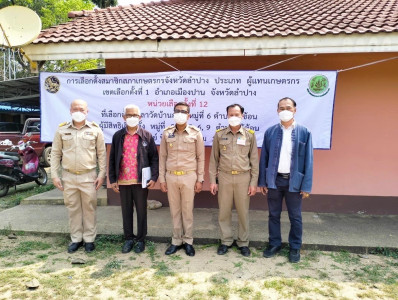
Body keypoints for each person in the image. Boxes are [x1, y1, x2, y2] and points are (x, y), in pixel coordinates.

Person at [258, 97, 313, 263]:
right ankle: (274, 243)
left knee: (295, 216)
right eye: (281, 108)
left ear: (295, 110)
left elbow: (308, 161)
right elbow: (264, 158)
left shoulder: (304, 132)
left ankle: (295, 247)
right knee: (273, 215)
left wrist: (306, 186)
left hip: (294, 182)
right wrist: (262, 181)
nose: (285, 111)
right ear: (277, 111)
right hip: (275, 181)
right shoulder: (271, 132)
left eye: (288, 107)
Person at [51, 99, 106, 253]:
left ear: (87, 111)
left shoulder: (95, 130)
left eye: (81, 109)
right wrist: (55, 175)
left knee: (89, 208)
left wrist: (102, 174)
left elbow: (102, 154)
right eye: (75, 109)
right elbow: (55, 154)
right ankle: (76, 238)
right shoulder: (62, 130)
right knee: (73, 208)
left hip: (88, 176)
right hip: (68, 176)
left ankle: (89, 239)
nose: (78, 112)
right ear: (70, 111)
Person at [209, 104, 259, 257]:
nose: (234, 117)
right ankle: (226, 241)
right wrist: (213, 180)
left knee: (243, 212)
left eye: (237, 114)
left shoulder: (249, 135)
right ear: (227, 115)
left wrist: (253, 183)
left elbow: (254, 161)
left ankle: (243, 242)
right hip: (224, 176)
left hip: (243, 177)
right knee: (224, 211)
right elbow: (213, 160)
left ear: (242, 116)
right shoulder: (219, 135)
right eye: (231, 114)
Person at [109, 104, 159, 254]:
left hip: (140, 181)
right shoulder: (118, 136)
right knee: (126, 211)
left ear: (140, 117)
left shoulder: (146, 136)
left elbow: (154, 158)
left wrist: (154, 177)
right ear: (124, 117)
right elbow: (112, 159)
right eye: (129, 115)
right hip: (123, 181)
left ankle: (141, 240)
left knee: (142, 211)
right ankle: (129, 239)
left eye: (135, 115)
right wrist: (112, 179)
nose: (132, 118)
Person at [159, 102, 205, 257]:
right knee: (174, 211)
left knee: (187, 211)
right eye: (177, 111)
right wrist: (162, 178)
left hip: (189, 176)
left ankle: (188, 241)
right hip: (171, 176)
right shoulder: (166, 133)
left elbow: (201, 157)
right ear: (173, 113)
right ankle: (176, 241)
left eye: (183, 111)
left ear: (188, 115)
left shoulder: (195, 133)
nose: (180, 113)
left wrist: (200, 179)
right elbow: (162, 156)